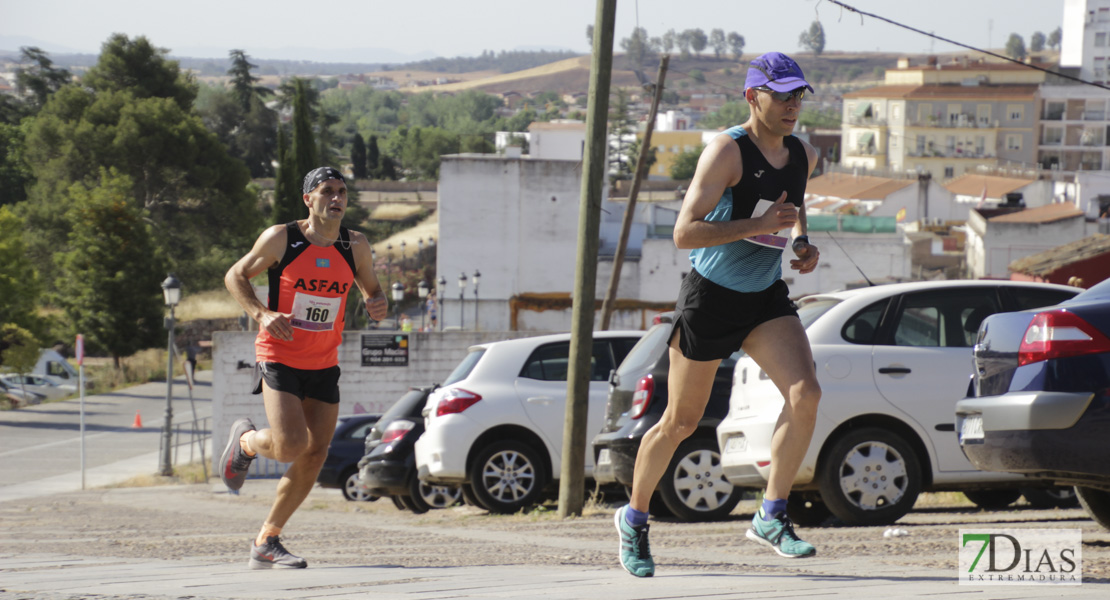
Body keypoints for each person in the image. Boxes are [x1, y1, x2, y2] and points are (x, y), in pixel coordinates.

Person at [615, 52, 823, 578]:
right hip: (710, 296)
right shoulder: (726, 152)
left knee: (807, 394)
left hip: (764, 298)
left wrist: (801, 243)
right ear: (753, 97)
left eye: (799, 96)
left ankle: (772, 514)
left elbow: (793, 210)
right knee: (680, 422)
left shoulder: (803, 153)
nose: (793, 106)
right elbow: (685, 233)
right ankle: (634, 518)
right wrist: (754, 228)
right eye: (783, 96)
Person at [221, 166, 389, 569]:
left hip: (324, 361)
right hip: (279, 354)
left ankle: (267, 539)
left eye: (342, 192)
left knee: (315, 452)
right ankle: (245, 442)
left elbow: (372, 289)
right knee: (292, 445)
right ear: (308, 199)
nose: (336, 198)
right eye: (327, 191)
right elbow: (235, 275)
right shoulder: (283, 238)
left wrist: (377, 302)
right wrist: (261, 314)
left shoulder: (356, 245)